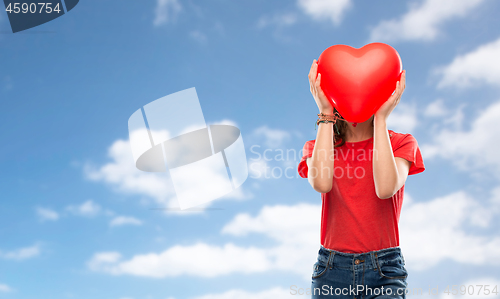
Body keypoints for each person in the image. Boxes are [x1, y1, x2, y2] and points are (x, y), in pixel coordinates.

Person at [297, 59, 425, 298]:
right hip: (331, 270)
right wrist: (326, 112)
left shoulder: (401, 143)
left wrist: (381, 119)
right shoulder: (317, 146)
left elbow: (386, 188)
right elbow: (321, 183)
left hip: (385, 270)